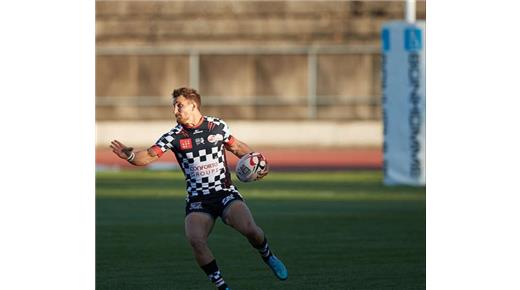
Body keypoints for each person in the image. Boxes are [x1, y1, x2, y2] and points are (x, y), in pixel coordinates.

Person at [110, 87, 288, 290]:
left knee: (251, 230)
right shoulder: (174, 136)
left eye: (180, 105)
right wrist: (131, 156)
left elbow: (237, 147)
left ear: (193, 105)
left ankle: (268, 256)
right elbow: (149, 155)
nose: (175, 110)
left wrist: (257, 161)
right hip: (198, 199)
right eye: (174, 106)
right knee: (196, 240)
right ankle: (222, 287)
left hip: (224, 193)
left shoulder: (217, 126)